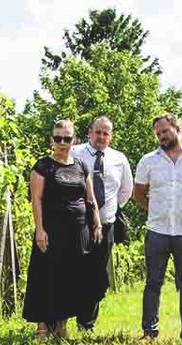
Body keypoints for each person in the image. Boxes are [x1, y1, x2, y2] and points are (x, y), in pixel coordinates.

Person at [133, 113, 182, 342]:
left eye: (165, 131)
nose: (161, 136)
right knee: (153, 283)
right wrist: (156, 209)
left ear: (177, 128)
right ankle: (149, 332)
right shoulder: (148, 161)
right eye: (158, 133)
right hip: (157, 229)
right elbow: (139, 193)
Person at [23, 119, 102, 340]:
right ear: (52, 140)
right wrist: (39, 229)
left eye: (67, 138)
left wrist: (96, 222)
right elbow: (36, 200)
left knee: (69, 278)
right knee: (45, 276)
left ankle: (61, 327)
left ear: (73, 140)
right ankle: (41, 328)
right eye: (58, 138)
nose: (62, 142)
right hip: (50, 232)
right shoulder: (42, 166)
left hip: (77, 232)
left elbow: (90, 197)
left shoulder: (81, 166)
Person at [72, 116, 134, 330]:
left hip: (105, 224)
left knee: (97, 274)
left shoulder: (119, 158)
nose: (101, 137)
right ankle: (71, 317)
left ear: (111, 135)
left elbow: (126, 190)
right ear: (90, 132)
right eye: (98, 132)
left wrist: (109, 210)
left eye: (106, 133)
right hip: (77, 225)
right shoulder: (75, 153)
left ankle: (86, 322)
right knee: (76, 271)